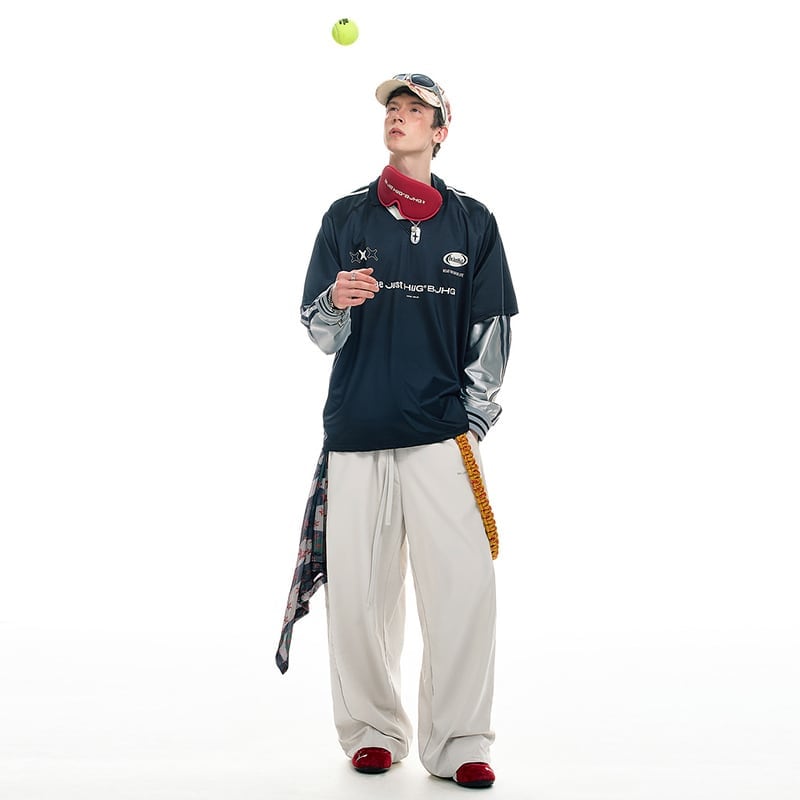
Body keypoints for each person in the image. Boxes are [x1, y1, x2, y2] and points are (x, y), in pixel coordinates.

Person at [276, 73, 518, 789]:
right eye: (393, 108)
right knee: (361, 595)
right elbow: (320, 331)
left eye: (416, 110)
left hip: (442, 435)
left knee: (464, 588)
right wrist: (335, 300)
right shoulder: (346, 216)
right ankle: (373, 732)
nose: (399, 117)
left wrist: (473, 421)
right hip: (357, 430)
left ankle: (460, 742)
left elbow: (491, 331)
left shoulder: (473, 222)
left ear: (441, 131)